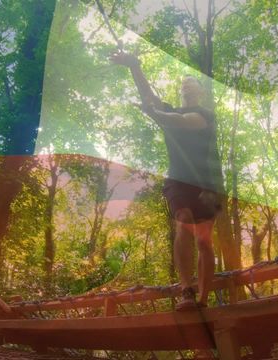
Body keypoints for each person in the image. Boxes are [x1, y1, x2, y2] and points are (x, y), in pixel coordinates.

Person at [110, 51, 221, 311]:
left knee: (203, 240)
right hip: (178, 181)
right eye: (183, 85)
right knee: (183, 221)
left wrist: (157, 115)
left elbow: (181, 121)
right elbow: (150, 98)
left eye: (192, 84)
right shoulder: (170, 109)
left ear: (200, 92)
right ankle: (186, 291)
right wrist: (134, 66)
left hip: (205, 184)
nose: (187, 87)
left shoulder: (205, 114)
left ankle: (203, 300)